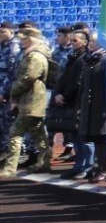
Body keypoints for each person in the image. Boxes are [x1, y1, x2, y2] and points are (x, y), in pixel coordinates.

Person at [0, 29, 51, 175]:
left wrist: (13, 91)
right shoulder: (32, 55)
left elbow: (28, 78)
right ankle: (44, 162)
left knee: (15, 133)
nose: (21, 42)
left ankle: (10, 168)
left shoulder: (35, 57)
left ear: (32, 39)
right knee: (38, 134)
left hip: (32, 100)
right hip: (32, 100)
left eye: (24, 39)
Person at [54, 30, 91, 179]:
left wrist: (65, 95)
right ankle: (78, 165)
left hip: (78, 101)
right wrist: (58, 93)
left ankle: (87, 167)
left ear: (84, 42)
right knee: (74, 135)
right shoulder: (71, 57)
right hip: (69, 102)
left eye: (75, 40)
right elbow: (62, 77)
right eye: (72, 40)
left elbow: (79, 82)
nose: (72, 43)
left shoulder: (85, 58)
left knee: (84, 137)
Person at [75, 36, 106, 182]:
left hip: (101, 106)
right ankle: (100, 166)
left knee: (102, 138)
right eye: (90, 41)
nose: (91, 44)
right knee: (95, 138)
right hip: (89, 106)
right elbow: (83, 85)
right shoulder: (89, 60)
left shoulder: (105, 60)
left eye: (94, 42)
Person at [50, 26, 75, 162]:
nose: (57, 38)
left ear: (67, 36)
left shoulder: (73, 51)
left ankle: (69, 148)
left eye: (60, 36)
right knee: (56, 119)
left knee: (68, 120)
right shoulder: (56, 51)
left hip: (68, 90)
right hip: (56, 88)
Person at [0, 22, 20, 158]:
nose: (0, 34)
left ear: (11, 32)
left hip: (7, 92)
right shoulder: (2, 46)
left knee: (8, 123)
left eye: (3, 32)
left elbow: (11, 74)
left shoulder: (14, 48)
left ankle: (9, 153)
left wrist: (3, 92)